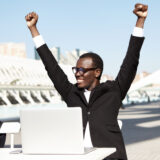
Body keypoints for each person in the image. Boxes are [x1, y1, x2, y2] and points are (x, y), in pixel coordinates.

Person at [25, 3, 148, 160]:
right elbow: (51, 66)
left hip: (112, 157)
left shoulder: (113, 91)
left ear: (97, 72)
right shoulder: (71, 93)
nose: (77, 74)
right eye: (76, 70)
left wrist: (140, 21)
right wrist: (33, 29)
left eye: (82, 70)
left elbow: (131, 60)